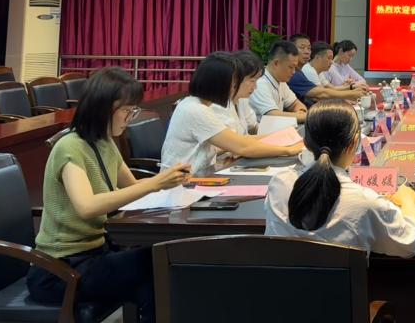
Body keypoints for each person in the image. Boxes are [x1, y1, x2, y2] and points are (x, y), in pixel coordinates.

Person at [27, 68, 190, 322]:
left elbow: (132, 187)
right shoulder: (70, 147)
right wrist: (155, 184)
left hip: (94, 254)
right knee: (154, 264)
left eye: (133, 111)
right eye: (126, 111)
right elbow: (87, 206)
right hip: (59, 268)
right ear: (103, 108)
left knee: (157, 264)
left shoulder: (104, 141)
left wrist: (170, 182)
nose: (129, 118)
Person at [265, 100, 415, 256]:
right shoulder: (366, 201)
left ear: (305, 143)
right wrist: (407, 199)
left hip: (277, 274)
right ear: (354, 143)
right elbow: (411, 244)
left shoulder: (279, 183)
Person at [161, 52, 305, 174]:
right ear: (218, 83)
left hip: (200, 177)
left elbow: (241, 141)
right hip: (183, 186)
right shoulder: (196, 110)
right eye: (234, 83)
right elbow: (243, 147)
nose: (235, 87)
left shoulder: (198, 105)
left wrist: (283, 139)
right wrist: (289, 150)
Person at [287, 34, 368, 105]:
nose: (307, 52)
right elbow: (320, 94)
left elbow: (328, 90)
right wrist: (351, 93)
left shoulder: (301, 71)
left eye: (309, 48)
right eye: (302, 47)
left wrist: (351, 88)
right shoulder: (299, 73)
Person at [249, 40, 308, 121]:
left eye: (295, 68)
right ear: (276, 63)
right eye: (291, 67)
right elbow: (273, 115)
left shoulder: (281, 81)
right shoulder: (259, 83)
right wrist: (306, 117)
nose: (294, 72)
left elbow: (295, 103)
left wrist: (301, 111)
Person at [227, 50, 264, 134]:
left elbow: (253, 126)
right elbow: (235, 140)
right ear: (236, 78)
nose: (255, 87)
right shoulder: (219, 105)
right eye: (252, 81)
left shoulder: (242, 99)